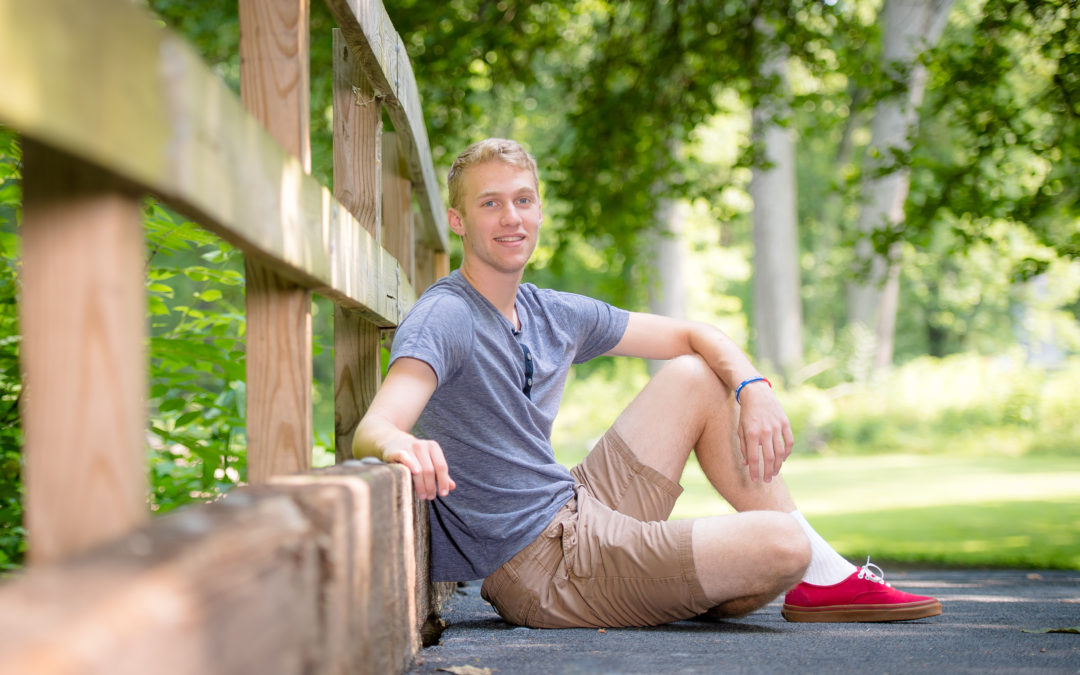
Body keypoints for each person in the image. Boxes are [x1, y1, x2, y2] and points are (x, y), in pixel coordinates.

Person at [353, 138, 941, 627]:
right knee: (781, 545)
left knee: (696, 377)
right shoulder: (447, 315)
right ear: (457, 220)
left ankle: (822, 579)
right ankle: (770, 572)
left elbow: (691, 334)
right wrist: (399, 443)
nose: (511, 217)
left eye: (523, 199)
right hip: (539, 566)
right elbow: (376, 425)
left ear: (539, 210)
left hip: (576, 504)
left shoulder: (548, 310)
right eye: (490, 204)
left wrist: (753, 386)